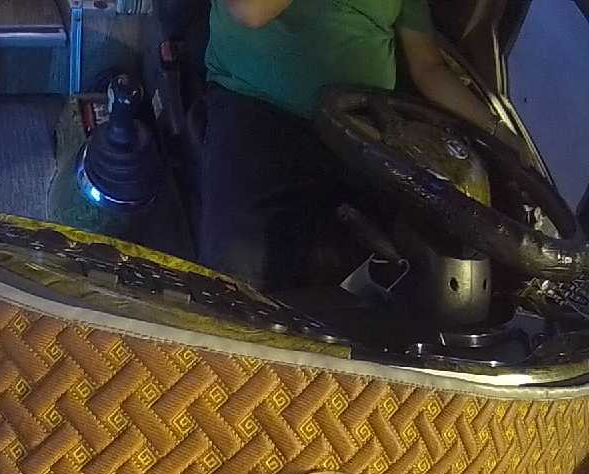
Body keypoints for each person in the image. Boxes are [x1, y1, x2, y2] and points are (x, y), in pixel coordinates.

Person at [197, 0, 525, 290]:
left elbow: (428, 68)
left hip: (362, 129)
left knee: (406, 270)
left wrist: (500, 133)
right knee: (242, 274)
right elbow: (252, 11)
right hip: (260, 108)